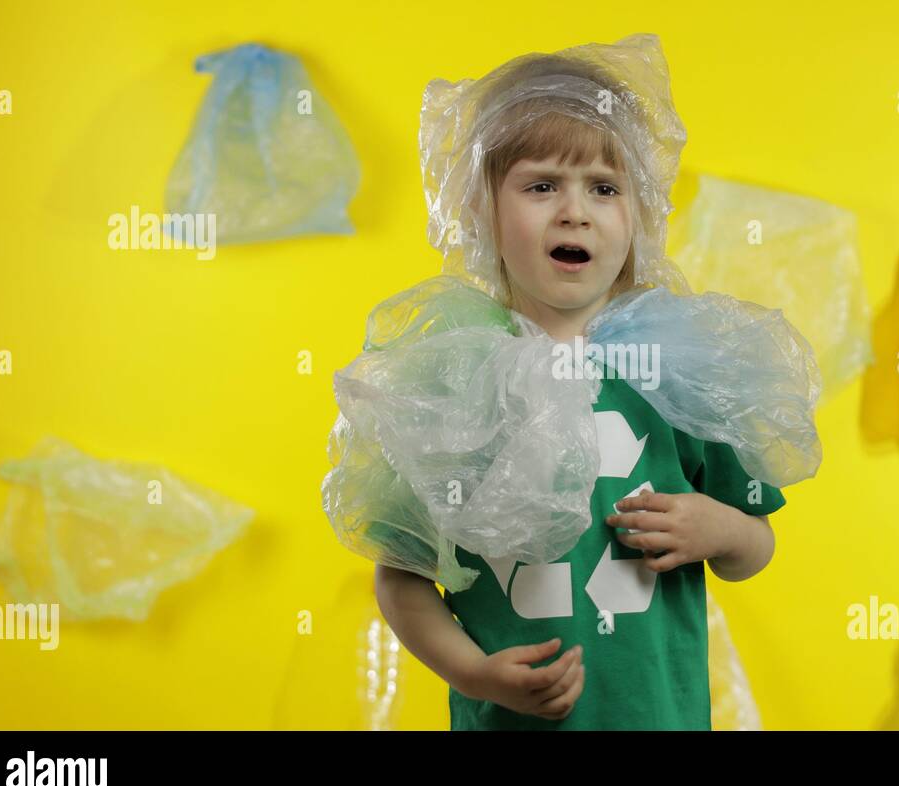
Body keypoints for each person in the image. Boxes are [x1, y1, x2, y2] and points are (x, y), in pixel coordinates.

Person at [337, 35, 814, 729]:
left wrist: (721, 528)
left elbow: (755, 548)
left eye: (605, 188)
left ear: (640, 213)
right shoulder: (451, 384)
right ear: (481, 211)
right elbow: (400, 575)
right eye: (540, 185)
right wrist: (474, 673)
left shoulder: (678, 375)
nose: (575, 210)